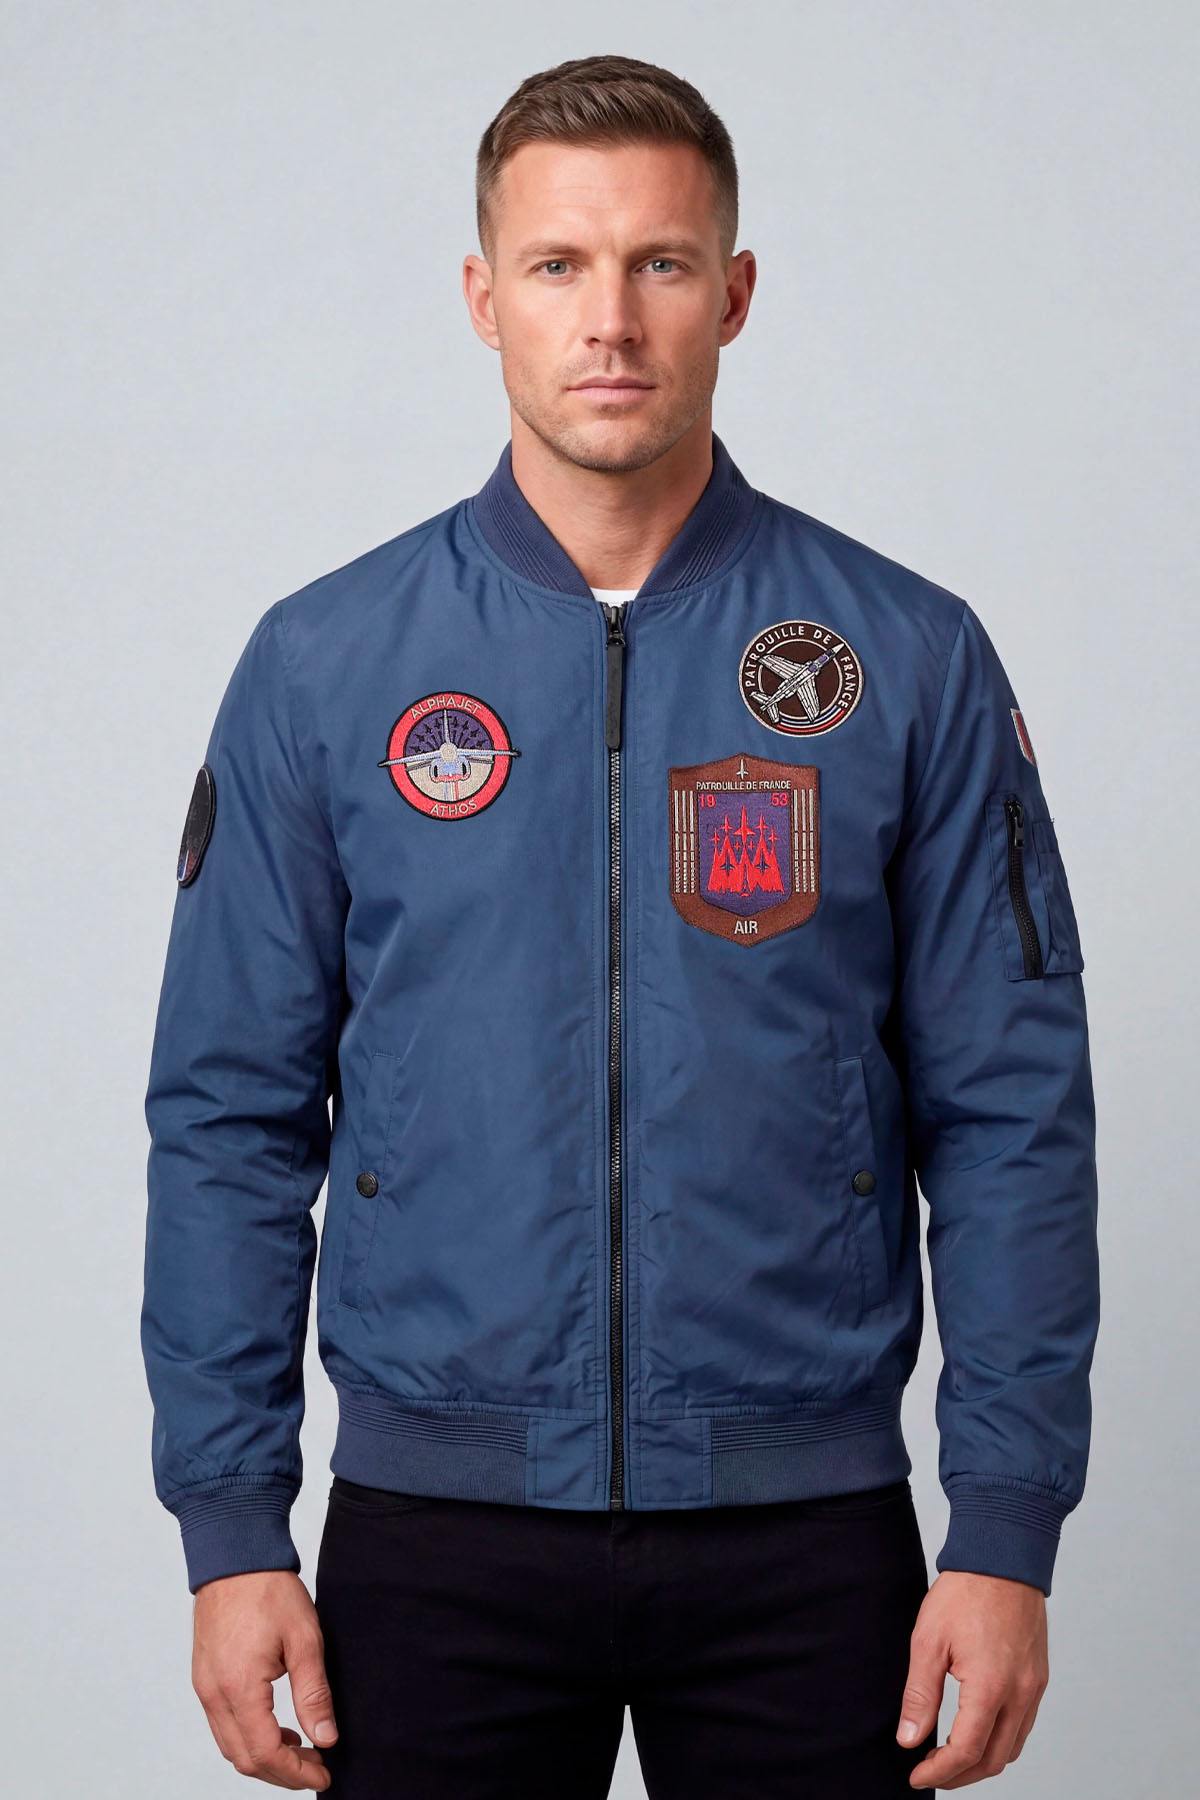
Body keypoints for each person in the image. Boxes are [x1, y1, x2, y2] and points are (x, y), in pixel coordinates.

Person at [140, 52, 1100, 1799]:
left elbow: (1013, 1114)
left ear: (734, 292)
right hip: (435, 1529)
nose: (611, 320)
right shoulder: (326, 664)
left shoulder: (904, 656)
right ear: (481, 297)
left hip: (808, 1529)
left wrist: (1006, 1527)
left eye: (661, 262)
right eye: (558, 265)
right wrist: (230, 1524)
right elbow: (228, 1116)